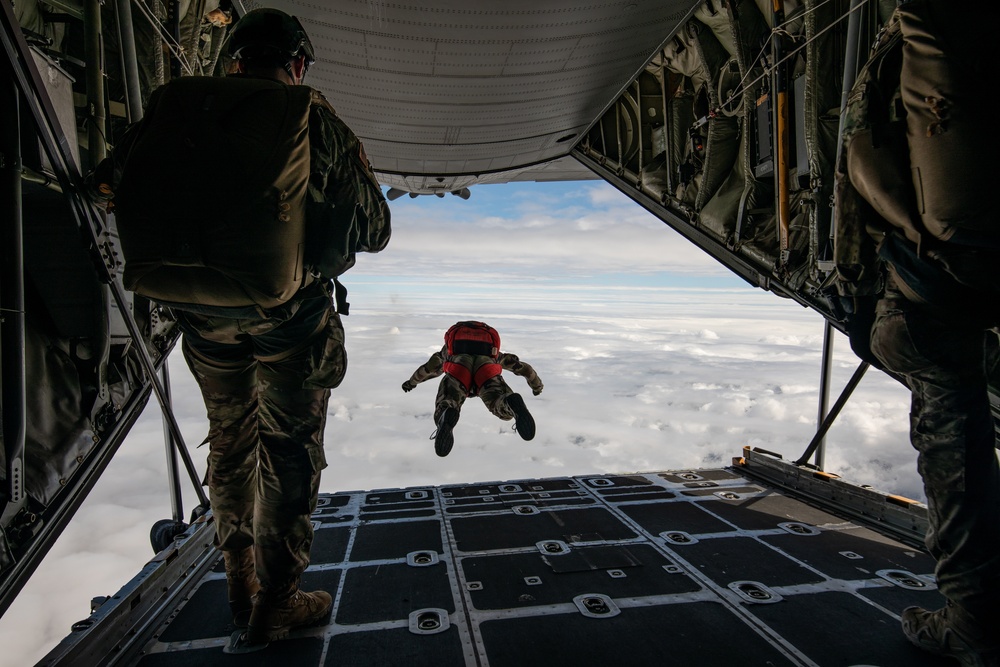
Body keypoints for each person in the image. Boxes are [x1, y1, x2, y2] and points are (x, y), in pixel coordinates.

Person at [95, 7, 391, 645]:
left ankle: (239, 584)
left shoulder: (175, 110)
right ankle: (278, 600)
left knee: (231, 443)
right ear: (298, 64)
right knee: (287, 452)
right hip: (292, 322)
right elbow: (375, 229)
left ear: (233, 58)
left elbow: (107, 182)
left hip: (202, 321)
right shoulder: (313, 116)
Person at [854, 2, 999, 664]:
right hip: (940, 292)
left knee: (955, 449)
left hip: (939, 299)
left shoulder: (955, 209)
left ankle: (972, 622)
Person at [402, 321, 543, 456]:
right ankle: (509, 403)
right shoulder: (493, 353)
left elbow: (428, 368)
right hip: (486, 369)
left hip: (459, 369)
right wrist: (536, 386)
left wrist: (411, 382)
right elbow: (525, 368)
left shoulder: (447, 352)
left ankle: (446, 414)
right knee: (503, 409)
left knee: (446, 405)